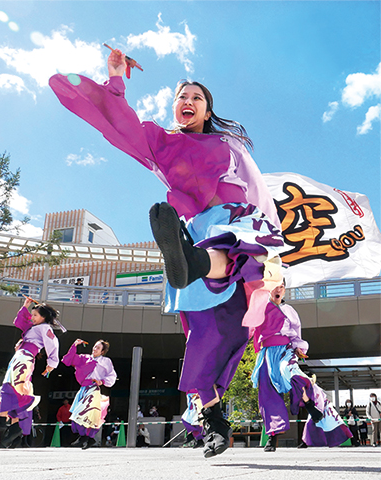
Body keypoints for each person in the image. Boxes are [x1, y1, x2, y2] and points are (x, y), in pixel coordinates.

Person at [49, 48, 285, 458]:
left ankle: (194, 261)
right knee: (201, 347)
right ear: (174, 107)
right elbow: (121, 125)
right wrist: (117, 80)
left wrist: (272, 250)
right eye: (181, 97)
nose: (187, 101)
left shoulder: (227, 144)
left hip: (233, 221)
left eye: (196, 96)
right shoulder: (164, 143)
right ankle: (214, 424)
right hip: (195, 234)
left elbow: (258, 190)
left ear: (207, 109)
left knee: (232, 254)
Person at [251, 281, 352, 451]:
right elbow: (250, 328)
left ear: (284, 291)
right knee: (267, 392)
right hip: (267, 354)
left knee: (292, 374)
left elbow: (296, 334)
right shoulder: (259, 307)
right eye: (275, 286)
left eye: (281, 287)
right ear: (268, 288)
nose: (278, 289)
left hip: (285, 350)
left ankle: (312, 407)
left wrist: (299, 348)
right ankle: (272, 438)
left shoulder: (289, 311)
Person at [0, 298, 61, 448]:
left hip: (24, 358)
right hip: (20, 358)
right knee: (16, 389)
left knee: (10, 387)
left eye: (35, 315)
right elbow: (19, 322)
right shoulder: (34, 327)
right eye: (32, 315)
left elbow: (53, 345)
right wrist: (25, 306)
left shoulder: (45, 328)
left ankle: (3, 420)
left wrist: (51, 364)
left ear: (44, 317)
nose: (32, 317)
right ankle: (14, 426)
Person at [62, 339, 117, 449]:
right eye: (94, 346)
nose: (94, 348)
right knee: (76, 414)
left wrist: (102, 381)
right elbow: (69, 360)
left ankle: (85, 437)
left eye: (98, 348)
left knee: (83, 414)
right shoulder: (85, 358)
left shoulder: (105, 361)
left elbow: (112, 376)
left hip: (93, 389)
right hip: (83, 389)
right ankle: (88, 438)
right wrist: (74, 345)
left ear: (102, 352)